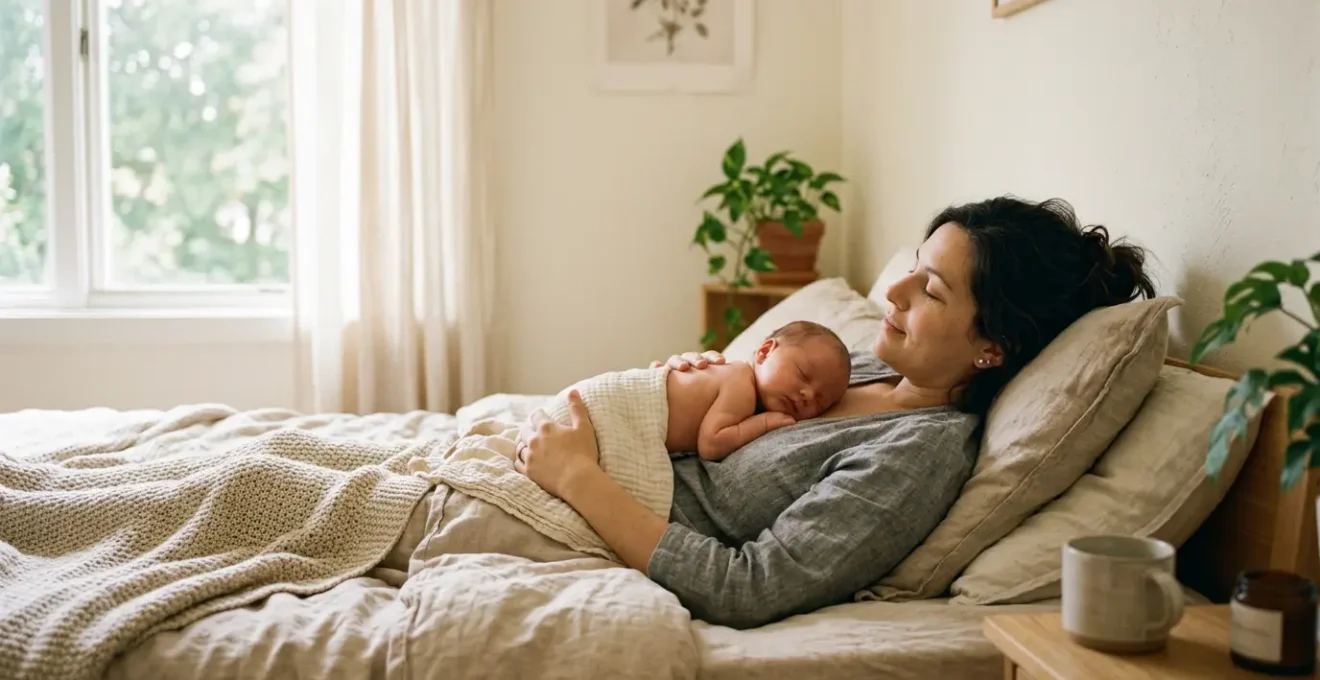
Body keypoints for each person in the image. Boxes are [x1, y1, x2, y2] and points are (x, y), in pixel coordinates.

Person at [513, 196, 1156, 629]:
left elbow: (750, 586)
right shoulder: (871, 366)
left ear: (992, 348)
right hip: (572, 460)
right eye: (913, 268)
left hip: (576, 507)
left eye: (930, 289)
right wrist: (691, 382)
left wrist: (577, 479)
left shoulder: (917, 455)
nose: (895, 293)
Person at [666, 320, 850, 462]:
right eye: (803, 373)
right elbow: (711, 445)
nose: (808, 396)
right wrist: (763, 423)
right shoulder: (741, 383)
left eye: (820, 401)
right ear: (765, 351)